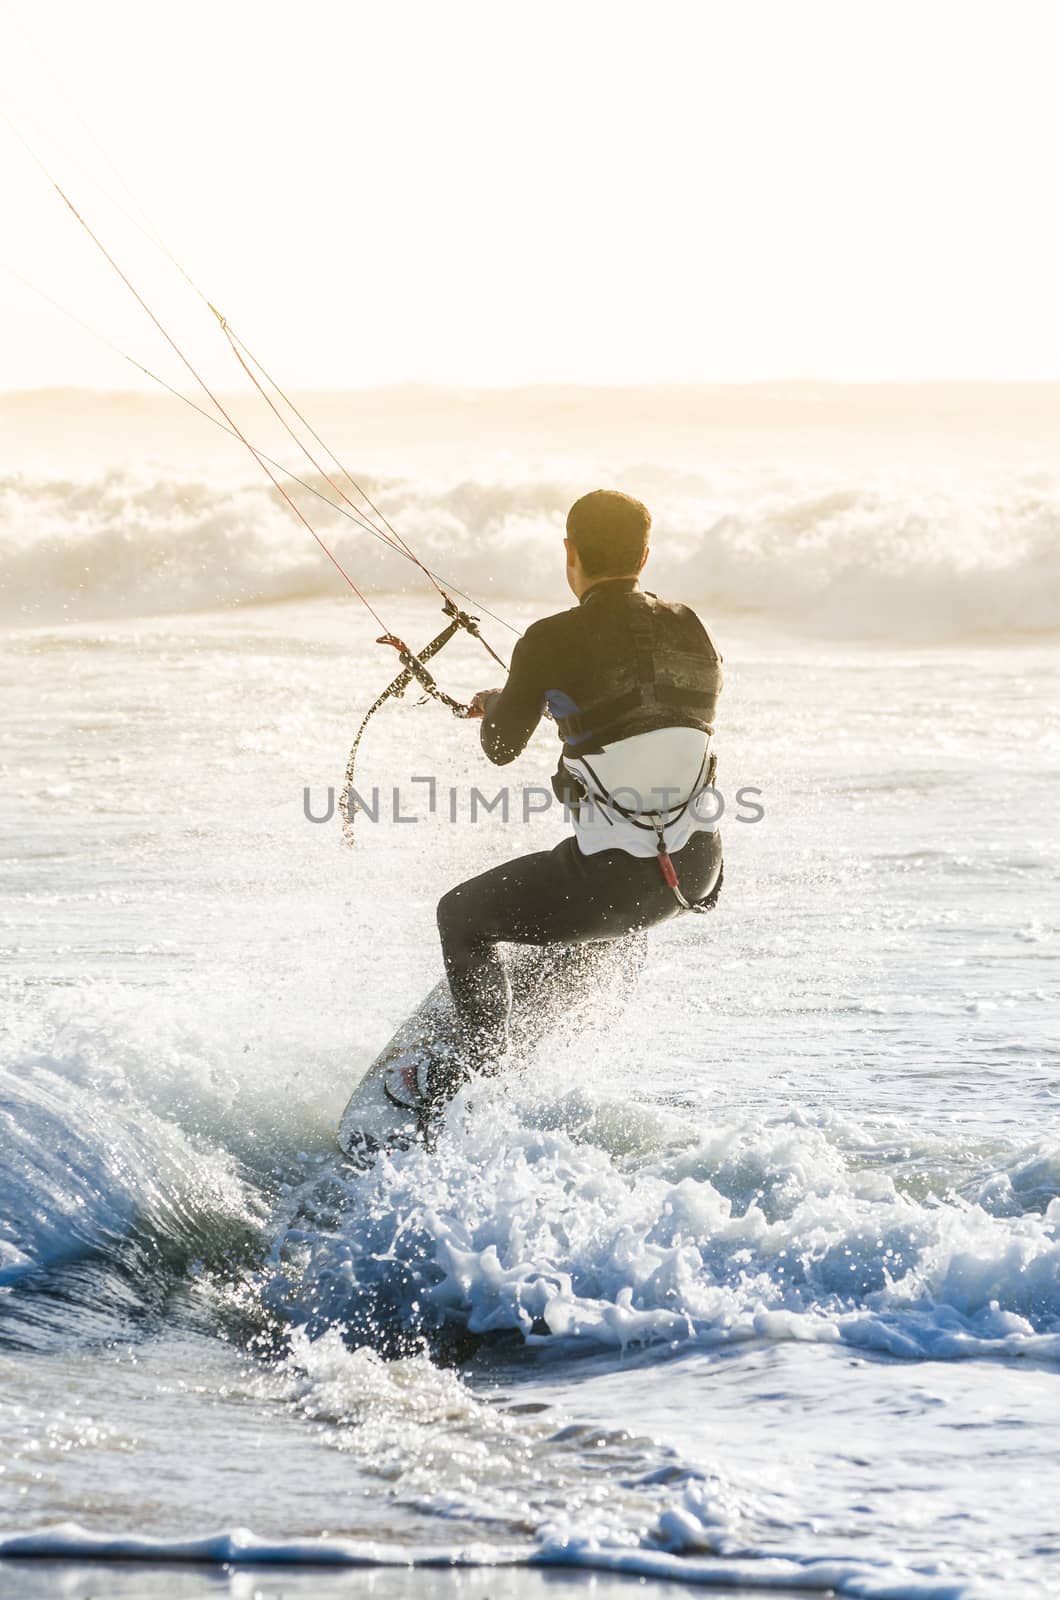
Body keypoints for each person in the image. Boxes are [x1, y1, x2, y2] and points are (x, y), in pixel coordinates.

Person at [431, 489, 724, 1100]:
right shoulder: (691, 626)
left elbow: (500, 748)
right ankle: (549, 1019)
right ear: (645, 555)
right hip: (696, 875)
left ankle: (475, 1080)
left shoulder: (548, 640)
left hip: (618, 887)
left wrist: (505, 705)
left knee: (460, 916)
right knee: (602, 887)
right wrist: (545, 700)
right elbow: (648, 717)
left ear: (569, 553)